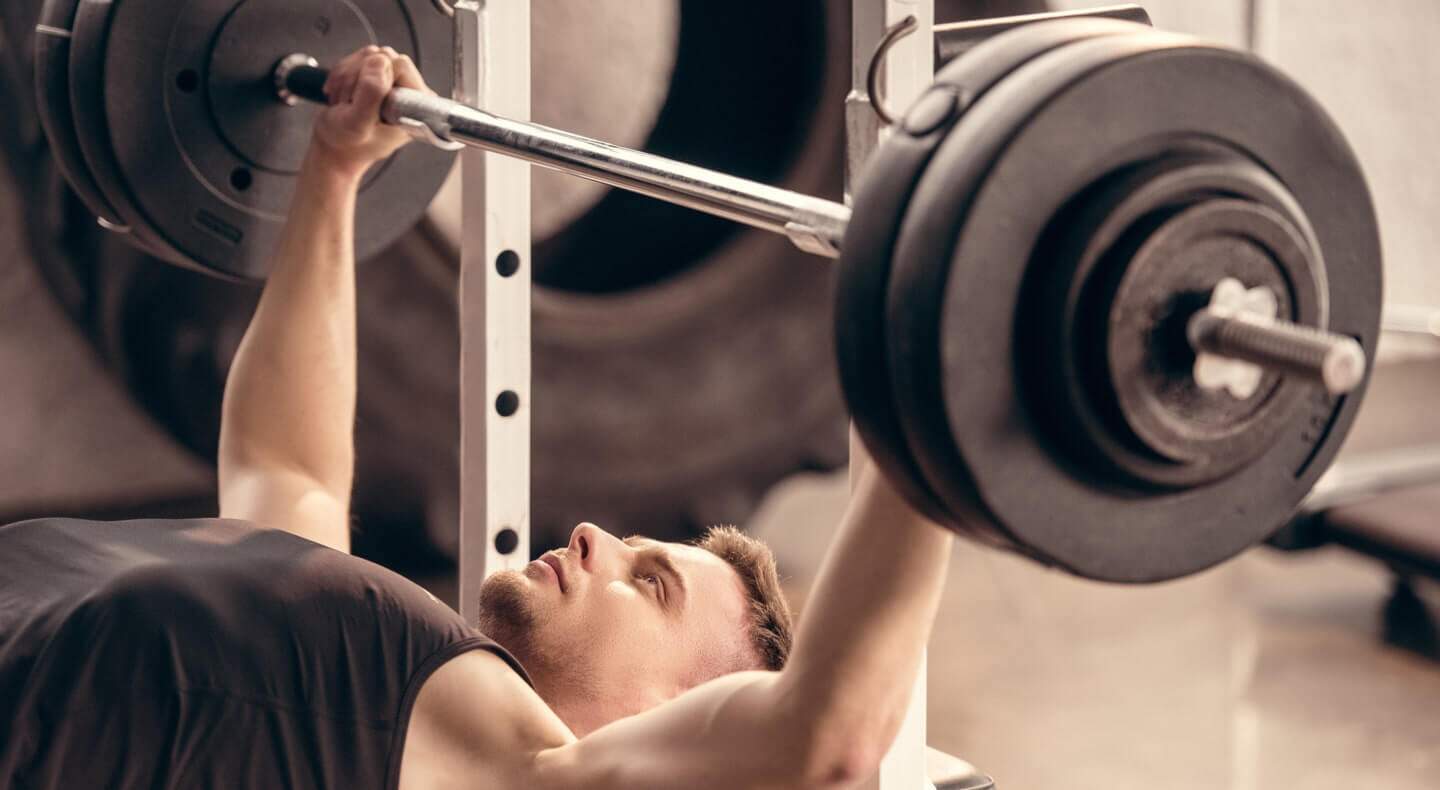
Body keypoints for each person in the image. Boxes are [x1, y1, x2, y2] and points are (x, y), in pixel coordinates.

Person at [0, 47, 953, 788]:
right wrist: (334, 175)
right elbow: (285, 468)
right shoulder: (363, 690)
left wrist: (933, 372)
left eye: (649, 583)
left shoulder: (520, 774)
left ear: (672, 721)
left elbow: (825, 734)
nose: (594, 537)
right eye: (635, 544)